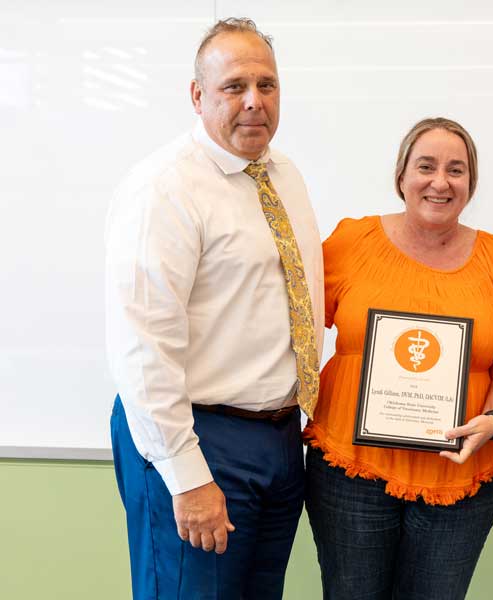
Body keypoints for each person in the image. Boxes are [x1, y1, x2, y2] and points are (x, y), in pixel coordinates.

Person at [105, 18, 323, 600]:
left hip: (279, 440)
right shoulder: (165, 188)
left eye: (267, 84)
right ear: (198, 96)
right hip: (197, 437)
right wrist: (187, 475)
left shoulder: (285, 176)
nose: (255, 101)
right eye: (234, 86)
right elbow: (143, 346)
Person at [303, 117, 493, 599]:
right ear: (401, 176)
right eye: (425, 166)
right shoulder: (351, 243)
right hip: (351, 471)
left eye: (457, 170)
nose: (440, 181)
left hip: (459, 474)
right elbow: (294, 331)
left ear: (470, 183)